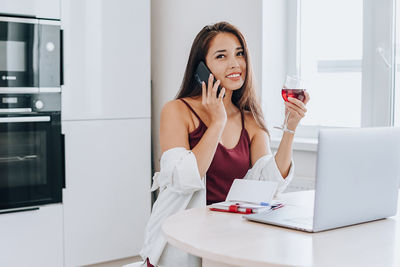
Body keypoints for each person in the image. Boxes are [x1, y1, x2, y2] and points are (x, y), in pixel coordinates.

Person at [140, 21, 310, 267]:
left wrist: (290, 126)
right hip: (182, 242)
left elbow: (270, 184)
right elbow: (183, 179)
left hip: (231, 239)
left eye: (239, 54)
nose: (235, 63)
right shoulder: (178, 111)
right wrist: (217, 122)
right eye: (222, 56)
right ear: (202, 68)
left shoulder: (249, 118)